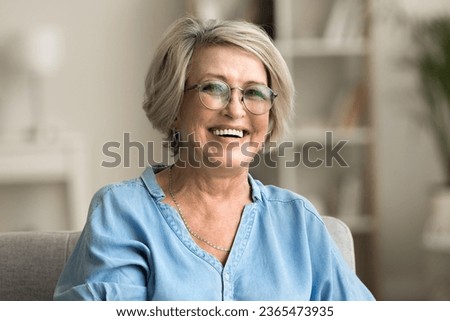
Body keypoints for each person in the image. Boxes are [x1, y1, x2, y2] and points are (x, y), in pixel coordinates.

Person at [54, 16, 375, 301]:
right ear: (175, 106)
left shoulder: (298, 221)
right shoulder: (122, 214)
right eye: (214, 88)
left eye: (254, 93)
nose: (235, 110)